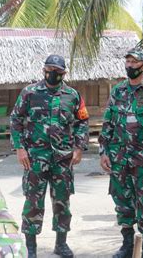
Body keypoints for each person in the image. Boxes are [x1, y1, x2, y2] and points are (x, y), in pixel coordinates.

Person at [10, 54, 89, 258]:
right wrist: (19, 148)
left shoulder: (73, 95)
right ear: (43, 69)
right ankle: (32, 248)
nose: (52, 73)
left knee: (62, 201)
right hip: (35, 158)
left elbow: (82, 121)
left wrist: (79, 147)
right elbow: (16, 119)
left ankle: (61, 244)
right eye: (49, 69)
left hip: (63, 158)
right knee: (33, 202)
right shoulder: (29, 92)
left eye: (57, 71)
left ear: (64, 73)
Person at [99, 47, 143, 258]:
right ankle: (127, 245)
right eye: (127, 62)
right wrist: (103, 152)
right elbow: (108, 122)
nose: (129, 66)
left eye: (134, 62)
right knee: (122, 202)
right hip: (119, 158)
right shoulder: (118, 91)